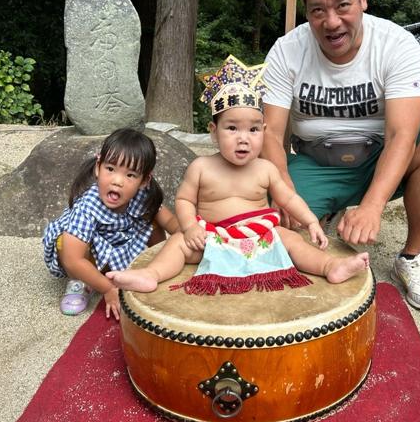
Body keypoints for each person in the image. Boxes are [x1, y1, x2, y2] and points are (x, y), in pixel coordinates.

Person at [261, 0, 420, 311]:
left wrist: (373, 207)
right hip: (315, 162)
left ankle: (413, 256)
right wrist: (283, 189)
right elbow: (272, 134)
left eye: (342, 6)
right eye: (318, 10)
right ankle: (325, 210)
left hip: (380, 158)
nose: (331, 22)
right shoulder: (286, 51)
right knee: (269, 235)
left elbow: (402, 136)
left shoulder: (396, 45)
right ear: (306, 10)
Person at [107, 56, 368, 295]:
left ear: (264, 131)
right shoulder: (201, 167)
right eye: (232, 128)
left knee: (292, 239)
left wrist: (311, 221)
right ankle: (151, 274)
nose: (243, 139)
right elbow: (185, 201)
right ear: (213, 131)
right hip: (214, 237)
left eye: (253, 130)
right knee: (177, 243)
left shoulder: (266, 168)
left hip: (261, 236)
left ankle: (330, 266)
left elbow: (288, 198)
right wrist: (189, 227)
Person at [43, 128, 179, 319]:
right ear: (98, 167)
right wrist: (108, 289)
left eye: (130, 175)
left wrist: (188, 234)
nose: (117, 181)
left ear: (144, 180)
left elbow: (171, 222)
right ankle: (81, 283)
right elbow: (72, 259)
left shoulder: (144, 196)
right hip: (86, 257)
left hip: (120, 246)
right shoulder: (87, 206)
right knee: (66, 243)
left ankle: (151, 267)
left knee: (153, 219)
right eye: (110, 169)